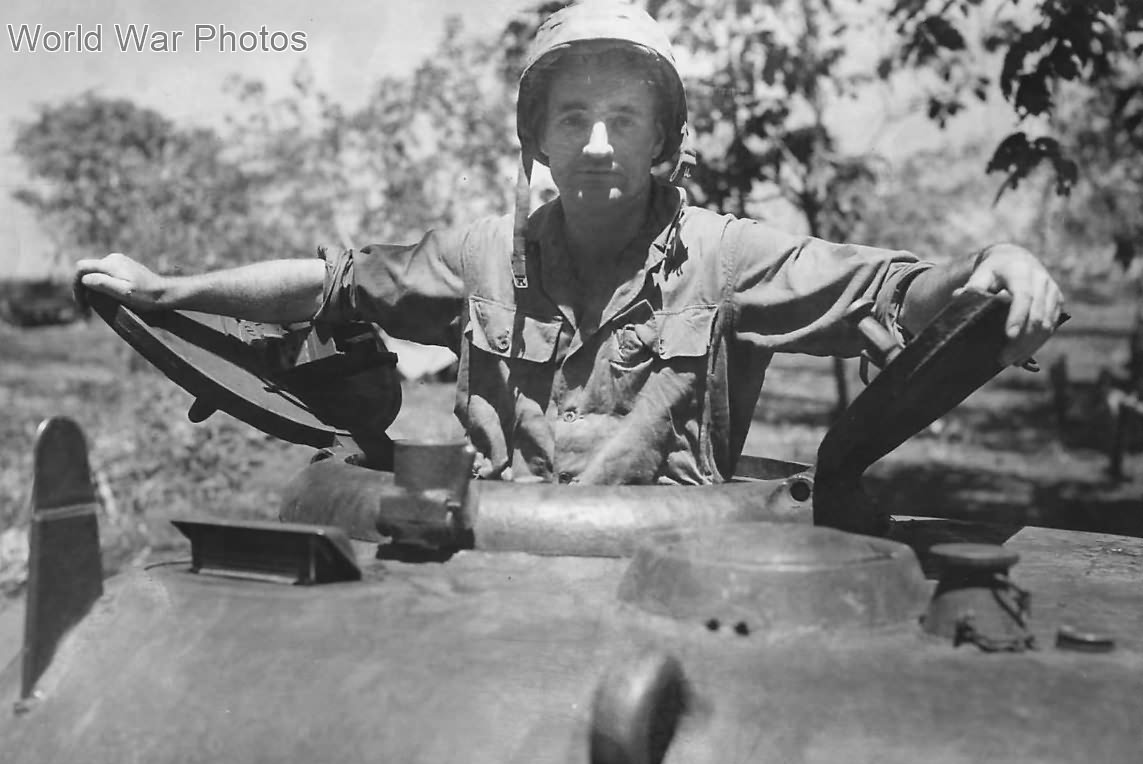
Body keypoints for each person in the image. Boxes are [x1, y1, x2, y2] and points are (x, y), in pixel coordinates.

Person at [75, 0, 1063, 485]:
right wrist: (167, 290)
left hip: (680, 585)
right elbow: (335, 285)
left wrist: (987, 274)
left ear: (665, 138)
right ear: (538, 138)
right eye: (573, 117)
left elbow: (890, 292)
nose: (597, 143)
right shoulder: (477, 250)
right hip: (497, 573)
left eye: (625, 120)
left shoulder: (728, 256)